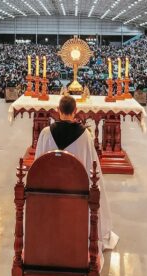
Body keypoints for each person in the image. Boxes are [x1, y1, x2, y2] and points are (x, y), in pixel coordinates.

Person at [35, 95, 119, 251]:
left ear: (57, 111)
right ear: (76, 111)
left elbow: (38, 164)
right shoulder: (85, 135)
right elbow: (93, 167)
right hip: (77, 191)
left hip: (50, 190)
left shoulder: (46, 133)